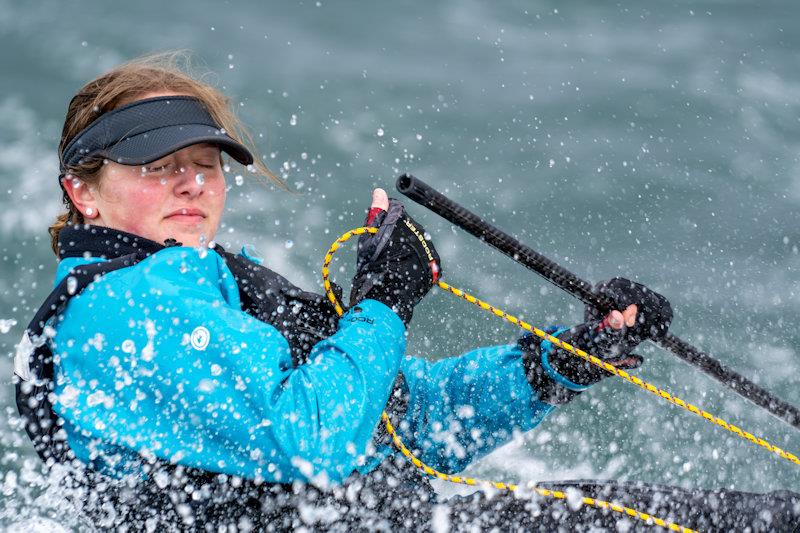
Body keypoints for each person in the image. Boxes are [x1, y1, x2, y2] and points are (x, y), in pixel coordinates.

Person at [14, 53, 798, 532]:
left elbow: (404, 421)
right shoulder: (121, 305)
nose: (191, 181)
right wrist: (384, 302)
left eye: (207, 163)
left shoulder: (208, 283)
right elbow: (317, 440)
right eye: (157, 165)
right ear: (83, 193)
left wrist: (562, 361)